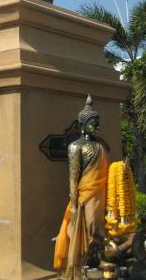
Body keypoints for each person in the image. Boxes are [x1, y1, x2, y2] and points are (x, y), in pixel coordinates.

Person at [54, 95, 109, 279]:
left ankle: (94, 265)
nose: (97, 127)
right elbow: (73, 178)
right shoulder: (75, 147)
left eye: (98, 123)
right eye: (93, 123)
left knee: (98, 233)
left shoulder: (101, 146)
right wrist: (74, 204)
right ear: (83, 124)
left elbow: (105, 172)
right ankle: (80, 270)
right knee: (85, 231)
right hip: (84, 198)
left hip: (99, 196)